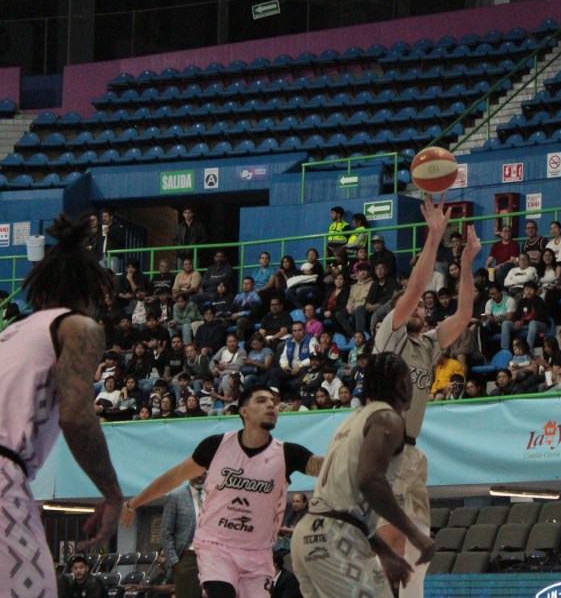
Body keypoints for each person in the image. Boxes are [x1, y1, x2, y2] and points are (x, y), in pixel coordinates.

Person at [0, 215, 124, 596]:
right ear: (92, 292)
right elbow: (76, 416)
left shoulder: (12, 333)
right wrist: (112, 493)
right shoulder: (78, 327)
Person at [373, 194, 479, 598]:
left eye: (423, 308)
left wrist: (466, 264)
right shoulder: (391, 334)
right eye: (414, 306)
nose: (421, 308)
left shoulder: (428, 344)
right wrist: (434, 237)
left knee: (419, 549)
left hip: (411, 451)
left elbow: (464, 316)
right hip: (384, 445)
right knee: (394, 545)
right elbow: (416, 286)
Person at [120, 386, 324, 598]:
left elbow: (326, 468)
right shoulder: (216, 445)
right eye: (262, 400)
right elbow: (174, 477)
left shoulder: (287, 453)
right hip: (216, 546)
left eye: (273, 401)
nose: (272, 405)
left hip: (257, 553)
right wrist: (132, 503)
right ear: (244, 411)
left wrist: (345, 451)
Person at [291, 352, 434, 597]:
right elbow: (369, 480)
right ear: (403, 384)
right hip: (335, 538)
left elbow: (347, 507)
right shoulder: (388, 418)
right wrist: (414, 534)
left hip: (309, 534)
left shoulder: (352, 420)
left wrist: (385, 553)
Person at [160, 473, 207, 598]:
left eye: (203, 473)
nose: (199, 476)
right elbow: (165, 533)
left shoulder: (214, 496)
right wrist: (174, 563)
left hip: (212, 558)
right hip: (187, 558)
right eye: (196, 472)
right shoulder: (175, 497)